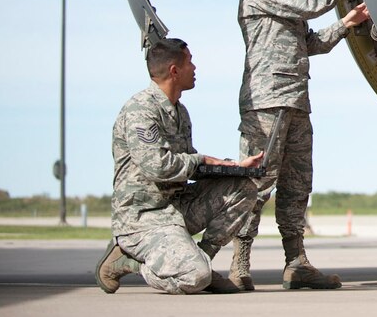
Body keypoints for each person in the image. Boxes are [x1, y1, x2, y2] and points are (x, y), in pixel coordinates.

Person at [225, 0, 369, 290]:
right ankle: (240, 262)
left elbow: (310, 43)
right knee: (257, 182)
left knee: (296, 182)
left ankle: (296, 262)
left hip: (294, 99)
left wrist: (346, 24)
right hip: (268, 100)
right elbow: (309, 5)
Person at [95, 37, 263, 295]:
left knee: (244, 187)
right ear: (174, 70)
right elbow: (157, 167)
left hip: (177, 207)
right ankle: (127, 260)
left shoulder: (179, 112)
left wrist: (235, 167)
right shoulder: (141, 110)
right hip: (144, 218)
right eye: (190, 62)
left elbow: (190, 163)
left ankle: (202, 259)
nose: (195, 68)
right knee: (194, 278)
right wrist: (201, 160)